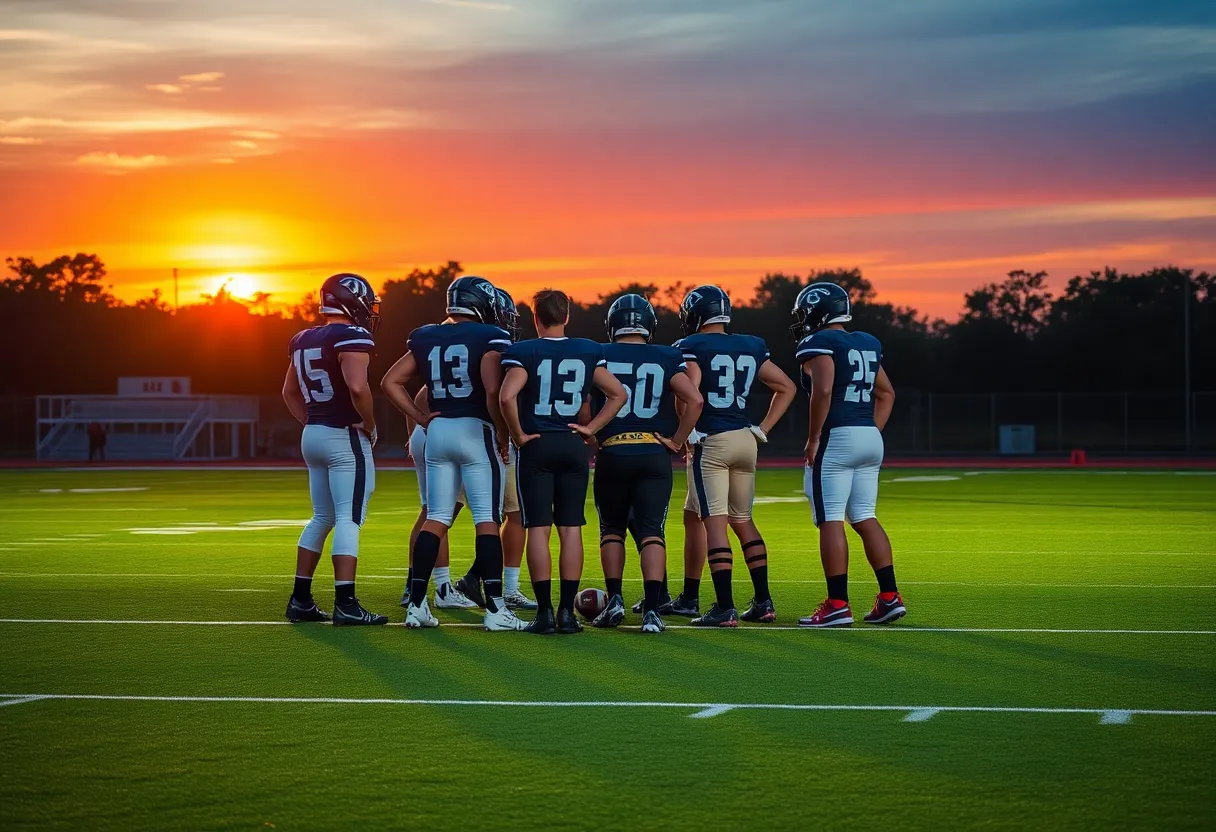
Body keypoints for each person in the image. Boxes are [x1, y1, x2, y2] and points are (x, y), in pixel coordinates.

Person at [381, 275, 526, 631]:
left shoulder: (426, 335)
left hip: (439, 429)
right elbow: (493, 391)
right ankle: (495, 609)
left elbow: (390, 381)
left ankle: (416, 606)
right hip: (475, 428)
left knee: (437, 517)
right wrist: (504, 434)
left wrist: (420, 420)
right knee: (487, 520)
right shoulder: (488, 336)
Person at [499, 288, 628, 635]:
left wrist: (518, 435)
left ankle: (544, 614)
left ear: (536, 317)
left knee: (538, 530)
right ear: (567, 315)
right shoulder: (588, 349)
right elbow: (619, 394)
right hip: (572, 445)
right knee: (571, 529)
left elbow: (507, 396)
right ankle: (567, 616)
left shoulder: (523, 351)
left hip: (538, 445)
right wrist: (590, 428)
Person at [674, 285, 796, 627]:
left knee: (715, 523)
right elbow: (787, 387)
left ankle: (724, 607)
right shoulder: (752, 344)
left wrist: (684, 434)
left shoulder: (692, 345)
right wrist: (763, 428)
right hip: (746, 439)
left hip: (712, 440)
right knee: (740, 520)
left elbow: (691, 392)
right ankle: (763, 601)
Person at [791, 282, 905, 627]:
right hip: (869, 436)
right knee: (865, 515)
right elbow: (887, 394)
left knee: (830, 520)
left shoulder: (819, 342)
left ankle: (838, 602)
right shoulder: (867, 342)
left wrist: (814, 437)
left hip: (837, 437)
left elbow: (823, 390)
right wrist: (868, 432)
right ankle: (889, 596)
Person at [590, 294, 703, 634]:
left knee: (611, 529)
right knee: (652, 531)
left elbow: (584, 404)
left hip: (613, 451)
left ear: (613, 324)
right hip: (653, 453)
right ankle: (652, 610)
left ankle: (615, 602)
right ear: (649, 324)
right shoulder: (668, 355)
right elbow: (695, 399)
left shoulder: (601, 354)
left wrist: (592, 432)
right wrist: (679, 439)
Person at [281, 272, 387, 625]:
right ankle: (346, 602)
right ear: (351, 299)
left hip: (314, 433)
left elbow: (289, 392)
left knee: (322, 516)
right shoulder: (352, 335)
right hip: (344, 435)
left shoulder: (302, 338)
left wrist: (313, 422)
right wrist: (369, 424)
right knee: (348, 518)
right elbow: (358, 388)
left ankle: (300, 599)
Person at [454, 288, 536, 611]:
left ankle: (424, 586)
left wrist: (420, 430)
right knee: (512, 515)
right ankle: (503, 589)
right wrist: (507, 436)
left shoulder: (460, 346)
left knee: (441, 515)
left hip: (459, 438)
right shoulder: (494, 347)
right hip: (490, 443)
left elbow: (420, 397)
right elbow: (501, 396)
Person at [400, 386, 478, 611]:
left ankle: (413, 584)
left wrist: (415, 427)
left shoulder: (440, 356)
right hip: (451, 436)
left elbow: (419, 396)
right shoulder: (478, 357)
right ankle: (442, 588)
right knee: (439, 515)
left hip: (427, 433)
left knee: (431, 512)